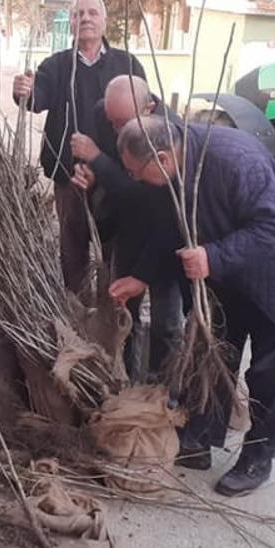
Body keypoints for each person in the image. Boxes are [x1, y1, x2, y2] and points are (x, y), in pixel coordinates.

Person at [113, 115, 275, 496]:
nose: (133, 178)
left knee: (269, 369)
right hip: (233, 269)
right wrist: (141, 277)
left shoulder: (234, 159)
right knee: (213, 349)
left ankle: (259, 455)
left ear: (163, 158)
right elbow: (171, 224)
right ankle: (199, 437)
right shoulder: (174, 170)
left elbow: (274, 227)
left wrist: (213, 257)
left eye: (136, 172)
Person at [12, 0, 145, 293]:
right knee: (73, 252)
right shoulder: (56, 66)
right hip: (68, 177)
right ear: (71, 23)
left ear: (104, 20)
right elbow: (36, 97)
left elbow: (143, 116)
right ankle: (78, 316)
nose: (85, 18)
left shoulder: (127, 64)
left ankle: (111, 314)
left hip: (115, 177)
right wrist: (24, 90)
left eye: (92, 13)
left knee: (115, 251)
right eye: (78, 14)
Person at [68, 75, 183, 380]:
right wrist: (90, 173)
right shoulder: (102, 114)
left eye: (123, 123)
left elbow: (141, 195)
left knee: (166, 319)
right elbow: (106, 166)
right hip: (128, 226)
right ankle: (123, 378)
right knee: (123, 310)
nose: (115, 130)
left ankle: (160, 389)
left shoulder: (168, 135)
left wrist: (97, 160)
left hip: (165, 229)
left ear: (149, 109)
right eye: (112, 122)